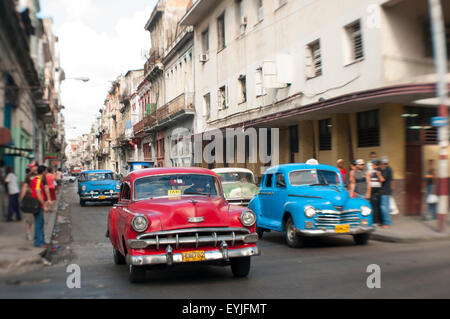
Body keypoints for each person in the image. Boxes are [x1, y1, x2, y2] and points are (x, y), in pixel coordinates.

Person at [29, 165, 48, 248]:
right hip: (38, 204)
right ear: (43, 172)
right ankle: (38, 243)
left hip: (36, 203)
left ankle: (41, 241)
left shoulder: (35, 179)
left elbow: (31, 190)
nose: (46, 173)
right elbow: (38, 192)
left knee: (40, 222)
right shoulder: (38, 180)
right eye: (46, 171)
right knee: (39, 223)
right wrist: (44, 205)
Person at [369, 160, 385, 226]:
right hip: (373, 190)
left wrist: (379, 174)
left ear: (376, 165)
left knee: (376, 207)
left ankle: (376, 221)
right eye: (372, 164)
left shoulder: (379, 171)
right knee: (374, 206)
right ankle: (376, 220)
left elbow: (382, 180)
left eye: (373, 164)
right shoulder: (372, 171)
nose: (373, 166)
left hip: (376, 191)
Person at [379, 156, 393, 228]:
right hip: (386, 191)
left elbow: (382, 179)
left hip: (385, 191)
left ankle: (386, 223)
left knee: (383, 207)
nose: (381, 164)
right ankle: (388, 222)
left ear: (383, 163)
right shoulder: (387, 169)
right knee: (385, 207)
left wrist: (378, 174)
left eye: (381, 163)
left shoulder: (388, 169)